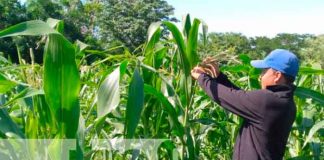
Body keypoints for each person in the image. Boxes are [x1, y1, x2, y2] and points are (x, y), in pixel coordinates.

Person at [191, 49, 299, 160]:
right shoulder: (286, 102)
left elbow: (228, 97)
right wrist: (219, 77)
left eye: (264, 71)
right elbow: (240, 98)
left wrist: (201, 77)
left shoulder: (267, 100)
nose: (260, 76)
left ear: (277, 75)